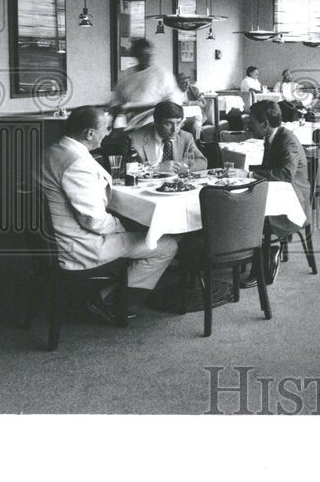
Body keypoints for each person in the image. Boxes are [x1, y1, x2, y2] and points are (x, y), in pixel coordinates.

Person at [41, 106, 178, 324]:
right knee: (167, 245)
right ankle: (104, 298)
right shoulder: (76, 164)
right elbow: (92, 220)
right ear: (90, 134)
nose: (107, 133)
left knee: (140, 229)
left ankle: (101, 295)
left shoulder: (52, 151)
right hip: (80, 246)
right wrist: (121, 227)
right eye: (105, 129)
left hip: (53, 240)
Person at [240, 101, 312, 287]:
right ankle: (256, 255)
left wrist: (249, 174)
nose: (249, 125)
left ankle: (265, 260)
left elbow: (285, 174)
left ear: (265, 123)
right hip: (281, 193)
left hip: (294, 201)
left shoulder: (286, 140)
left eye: (252, 122)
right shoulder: (272, 136)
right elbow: (270, 169)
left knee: (250, 213)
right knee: (244, 205)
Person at [111, 38, 181, 130]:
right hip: (130, 123)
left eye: (149, 54)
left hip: (153, 123)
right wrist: (117, 107)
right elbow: (118, 98)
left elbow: (173, 104)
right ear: (135, 55)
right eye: (141, 55)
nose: (146, 58)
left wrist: (140, 106)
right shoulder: (128, 75)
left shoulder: (162, 74)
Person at [126, 101, 208, 172]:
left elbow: (202, 162)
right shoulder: (135, 139)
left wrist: (180, 167)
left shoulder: (186, 137)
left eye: (178, 123)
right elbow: (128, 170)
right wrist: (157, 168)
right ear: (156, 122)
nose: (175, 130)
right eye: (168, 124)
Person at [177, 72, 207, 139]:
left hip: (195, 117)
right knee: (177, 127)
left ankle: (196, 145)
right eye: (184, 83)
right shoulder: (175, 92)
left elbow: (203, 103)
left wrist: (189, 103)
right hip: (181, 117)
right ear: (178, 84)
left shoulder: (193, 89)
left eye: (188, 82)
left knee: (196, 127)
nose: (187, 85)